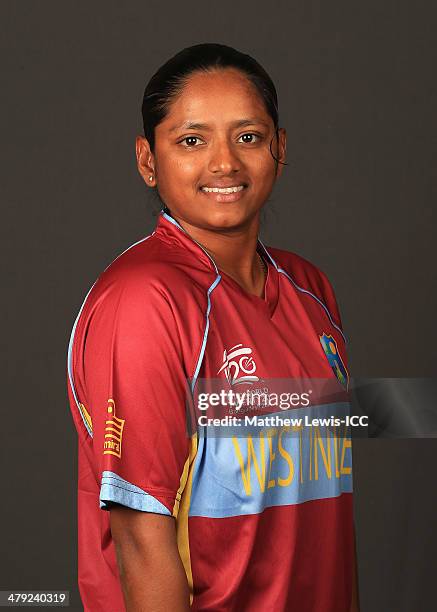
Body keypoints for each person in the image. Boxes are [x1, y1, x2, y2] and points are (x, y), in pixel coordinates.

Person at [67, 43, 359, 612]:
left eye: (247, 137)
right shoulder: (145, 302)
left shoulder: (311, 288)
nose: (224, 163)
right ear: (148, 159)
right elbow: (141, 538)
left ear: (279, 148)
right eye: (192, 141)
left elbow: (327, 519)